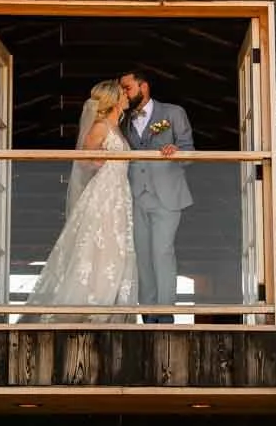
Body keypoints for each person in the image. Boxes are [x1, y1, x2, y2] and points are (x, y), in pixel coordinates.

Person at [24, 79, 137, 314]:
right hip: (105, 192)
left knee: (116, 248)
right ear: (114, 99)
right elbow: (84, 160)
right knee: (98, 245)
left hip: (120, 193)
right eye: (122, 94)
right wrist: (104, 162)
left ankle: (110, 304)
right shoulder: (100, 127)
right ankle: (90, 304)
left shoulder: (117, 129)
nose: (127, 97)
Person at [118, 69, 193, 323]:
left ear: (144, 87)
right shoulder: (124, 120)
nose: (124, 94)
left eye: (127, 88)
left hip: (167, 195)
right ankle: (148, 314)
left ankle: (165, 313)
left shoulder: (173, 113)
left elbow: (189, 151)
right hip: (136, 196)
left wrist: (177, 151)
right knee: (142, 255)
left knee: (162, 251)